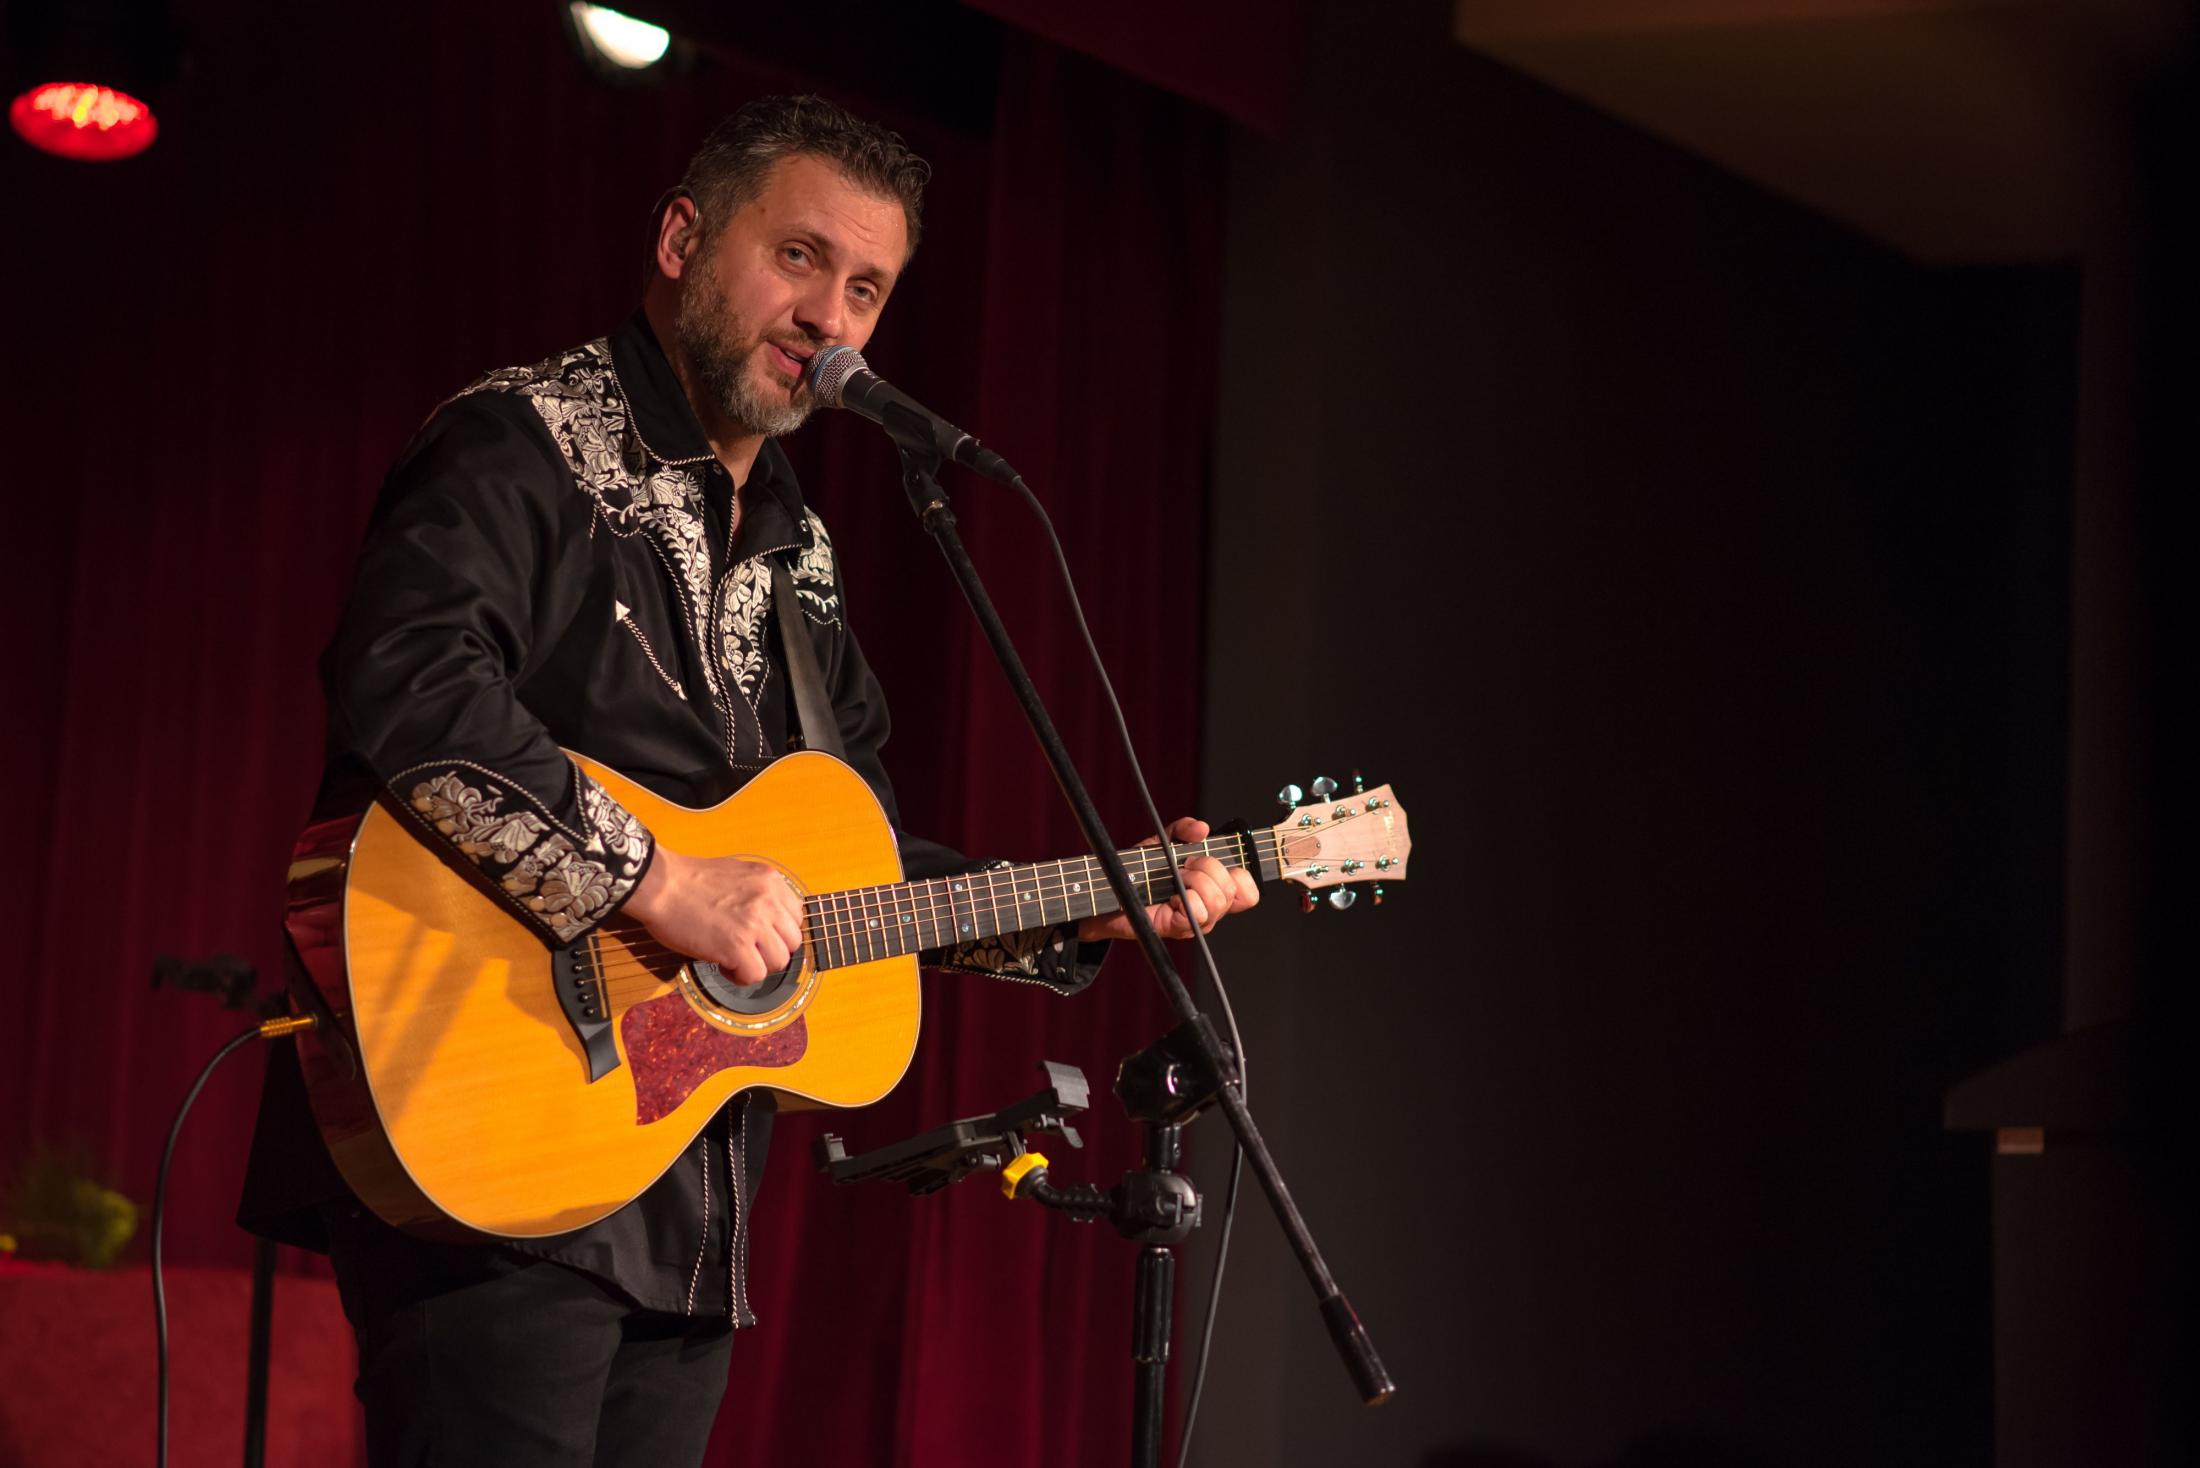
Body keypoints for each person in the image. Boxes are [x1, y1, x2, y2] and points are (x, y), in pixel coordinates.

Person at [237, 94, 1256, 1466]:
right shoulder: (522, 441)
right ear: (681, 240)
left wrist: (1093, 906)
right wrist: (660, 882)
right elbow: (411, 688)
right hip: (496, 1132)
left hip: (692, 1198)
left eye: (866, 288)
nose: (828, 314)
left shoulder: (802, 556)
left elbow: (856, 869)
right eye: (798, 257)